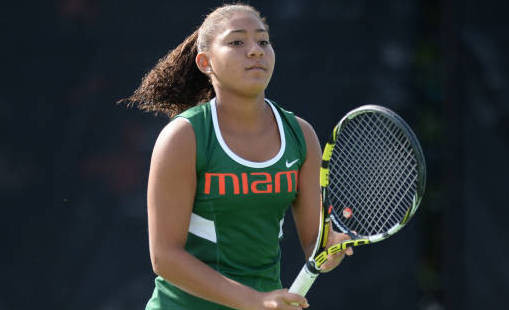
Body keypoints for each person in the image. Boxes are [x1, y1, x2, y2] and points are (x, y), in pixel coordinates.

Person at [120, 4, 352, 310]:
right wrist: (254, 301)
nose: (255, 51)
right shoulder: (184, 137)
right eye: (237, 42)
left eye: (263, 41)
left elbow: (314, 242)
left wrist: (329, 250)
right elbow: (165, 257)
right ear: (205, 62)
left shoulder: (301, 135)